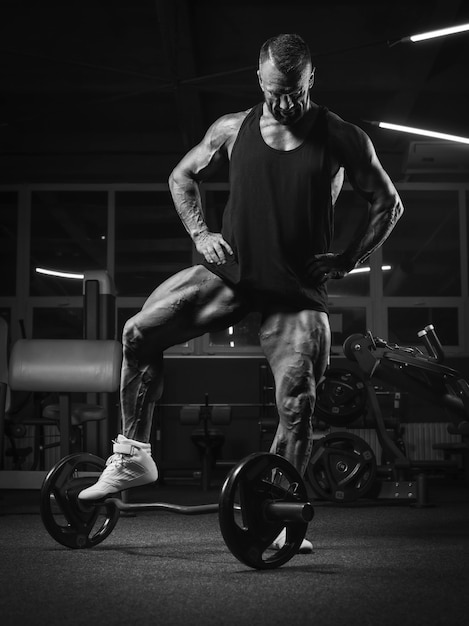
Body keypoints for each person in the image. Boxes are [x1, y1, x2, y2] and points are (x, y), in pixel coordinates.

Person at [79, 33, 403, 548]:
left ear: (311, 79)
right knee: (138, 333)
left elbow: (389, 204)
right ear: (259, 79)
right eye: (275, 90)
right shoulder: (233, 128)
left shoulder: (342, 137)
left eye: (294, 90)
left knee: (298, 406)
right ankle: (132, 457)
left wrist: (348, 259)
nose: (285, 102)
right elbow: (182, 177)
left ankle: (280, 515)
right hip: (233, 275)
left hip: (296, 292)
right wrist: (201, 234)